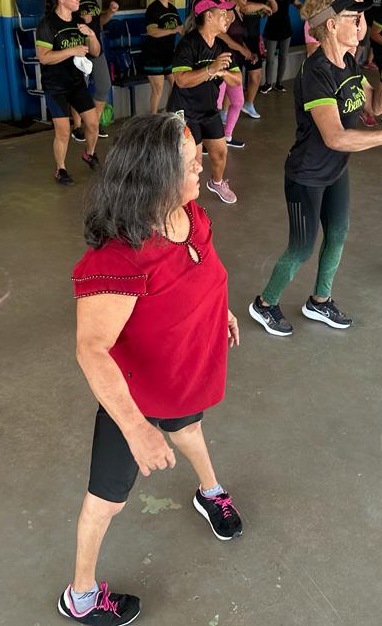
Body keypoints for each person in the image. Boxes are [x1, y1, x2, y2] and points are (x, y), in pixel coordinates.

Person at [59, 113, 242, 625]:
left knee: (189, 428)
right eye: (188, 162)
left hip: (181, 373)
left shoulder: (188, 214)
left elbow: (204, 270)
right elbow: (91, 350)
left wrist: (221, 310)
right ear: (155, 176)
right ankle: (80, 595)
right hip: (134, 399)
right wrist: (137, 429)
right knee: (106, 501)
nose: (200, 166)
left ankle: (210, 491)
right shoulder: (117, 260)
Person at [248, 0, 382, 337]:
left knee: (337, 233)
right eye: (354, 17)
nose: (362, 24)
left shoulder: (348, 62)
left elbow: (374, 107)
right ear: (332, 25)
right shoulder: (316, 72)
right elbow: (335, 136)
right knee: (301, 248)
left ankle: (320, 300)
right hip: (306, 175)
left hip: (335, 170)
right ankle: (265, 304)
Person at [167, 0, 241, 204]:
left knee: (220, 153)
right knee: (194, 160)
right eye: (222, 14)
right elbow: (181, 80)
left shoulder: (221, 47)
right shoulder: (188, 44)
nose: (227, 18)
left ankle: (216, 183)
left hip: (208, 109)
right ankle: (186, 201)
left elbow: (237, 80)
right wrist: (210, 69)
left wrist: (223, 72)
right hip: (185, 111)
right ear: (209, 16)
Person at [36, 0, 102, 186]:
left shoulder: (78, 22)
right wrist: (71, 50)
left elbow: (95, 52)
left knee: (93, 124)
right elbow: (44, 57)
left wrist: (92, 35)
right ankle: (61, 169)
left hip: (76, 83)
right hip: (55, 86)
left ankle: (89, 154)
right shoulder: (47, 24)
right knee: (63, 132)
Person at [216, 0, 268, 148]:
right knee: (215, 105)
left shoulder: (238, 11)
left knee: (238, 102)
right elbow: (220, 34)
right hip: (221, 62)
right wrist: (241, 49)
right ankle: (209, 140)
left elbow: (237, 37)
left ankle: (227, 136)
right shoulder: (227, 11)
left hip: (233, 63)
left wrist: (247, 52)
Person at [71, 0, 118, 142]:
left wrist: (110, 13)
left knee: (104, 85)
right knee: (79, 89)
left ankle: (94, 124)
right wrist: (80, 19)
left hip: (96, 48)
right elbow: (64, 23)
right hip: (78, 50)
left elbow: (98, 23)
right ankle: (77, 126)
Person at [143, 0, 182, 115]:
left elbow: (181, 28)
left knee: (176, 84)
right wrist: (173, 30)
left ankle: (167, 113)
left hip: (169, 54)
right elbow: (151, 31)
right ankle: (152, 119)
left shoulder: (172, 9)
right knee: (158, 89)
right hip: (154, 56)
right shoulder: (153, 9)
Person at [260, 0, 301, 94]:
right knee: (270, 59)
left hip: (285, 29)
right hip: (271, 30)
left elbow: (298, 5)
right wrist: (264, 8)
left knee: (283, 57)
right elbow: (263, 13)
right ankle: (268, 83)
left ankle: (279, 83)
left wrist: (307, 9)